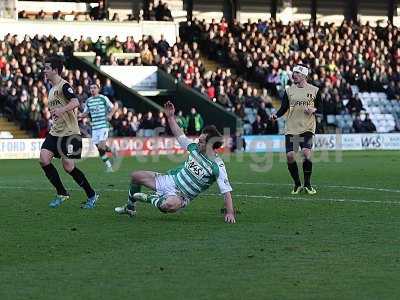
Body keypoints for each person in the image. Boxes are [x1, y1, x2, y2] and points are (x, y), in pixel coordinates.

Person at [114, 101, 236, 224]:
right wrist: (171, 117)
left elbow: (226, 191)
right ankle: (130, 208)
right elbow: (179, 134)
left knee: (167, 206)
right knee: (136, 176)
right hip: (169, 180)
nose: (198, 142)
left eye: (201, 141)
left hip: (181, 195)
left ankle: (149, 198)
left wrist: (230, 212)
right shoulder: (194, 148)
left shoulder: (217, 166)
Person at [39, 56, 98, 208]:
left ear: (55, 70)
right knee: (44, 159)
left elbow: (76, 102)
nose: (44, 70)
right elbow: (58, 110)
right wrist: (55, 113)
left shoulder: (64, 86)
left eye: (47, 68)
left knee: (68, 167)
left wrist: (61, 110)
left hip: (70, 133)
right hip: (55, 132)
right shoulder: (51, 90)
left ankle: (92, 194)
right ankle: (62, 193)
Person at [272, 65, 321, 195]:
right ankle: (297, 184)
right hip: (291, 127)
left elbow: (321, 108)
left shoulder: (315, 90)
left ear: (304, 76)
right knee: (290, 156)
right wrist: (276, 115)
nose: (294, 75)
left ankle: (308, 184)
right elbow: (283, 108)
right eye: (293, 73)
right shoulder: (289, 91)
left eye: (297, 74)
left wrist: (314, 110)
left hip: (307, 127)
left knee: (305, 153)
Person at [79, 83, 116, 172]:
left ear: (98, 89)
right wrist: (78, 116)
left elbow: (113, 107)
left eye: (94, 88)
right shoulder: (88, 101)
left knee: (100, 147)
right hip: (95, 128)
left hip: (103, 126)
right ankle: (109, 165)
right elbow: (85, 113)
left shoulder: (103, 98)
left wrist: (110, 114)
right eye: (91, 88)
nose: (92, 89)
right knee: (100, 149)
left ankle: (111, 153)